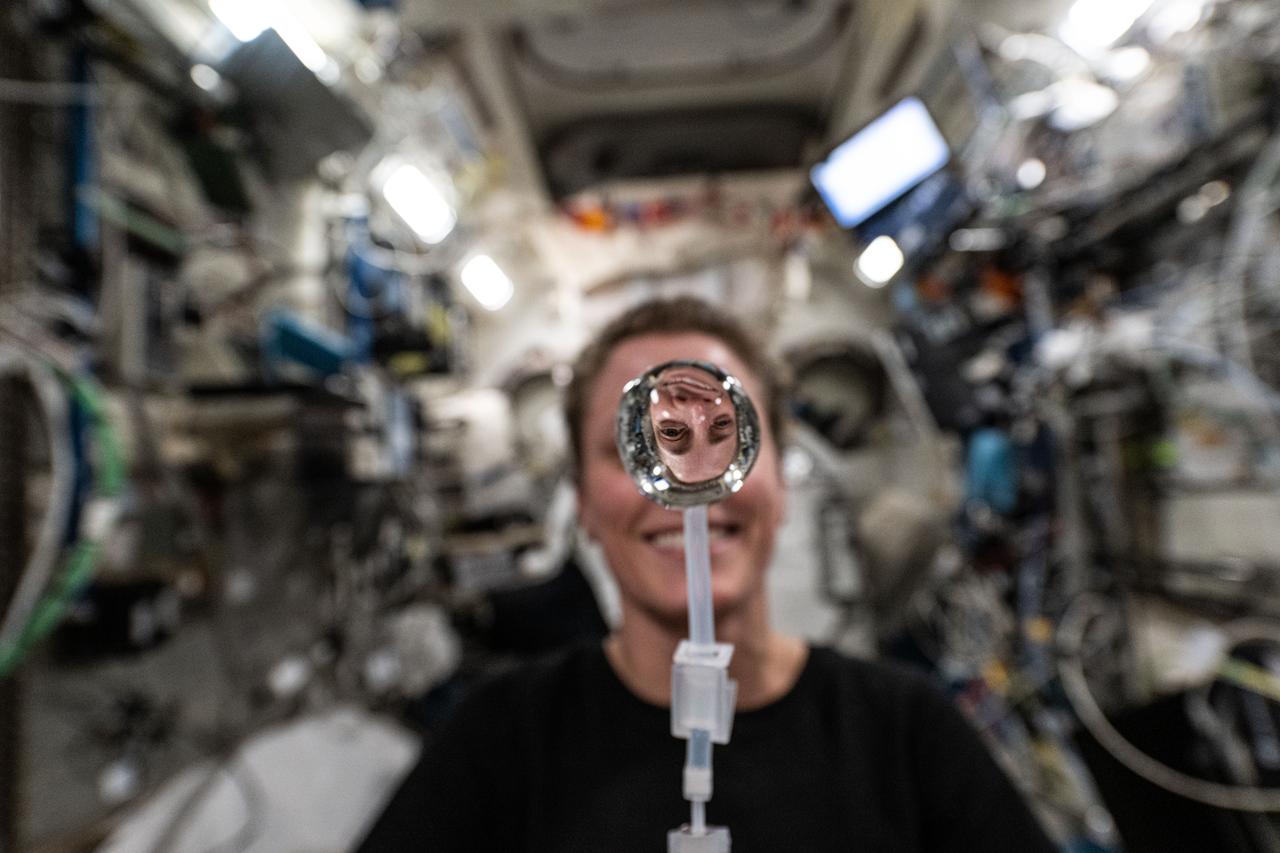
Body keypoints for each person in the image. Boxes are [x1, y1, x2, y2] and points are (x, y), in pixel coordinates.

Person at [355, 297, 1058, 853]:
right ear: (583, 503)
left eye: (724, 435)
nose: (686, 484)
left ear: (782, 480)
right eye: (636, 446)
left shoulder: (908, 736)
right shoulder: (499, 744)